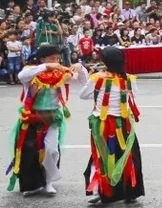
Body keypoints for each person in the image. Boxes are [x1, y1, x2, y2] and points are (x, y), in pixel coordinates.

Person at [6, 44, 88, 196]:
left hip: (52, 117)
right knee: (30, 152)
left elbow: (84, 81)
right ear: (42, 59)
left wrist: (80, 67)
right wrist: (46, 66)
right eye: (52, 58)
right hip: (31, 117)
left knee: (52, 150)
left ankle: (49, 181)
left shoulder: (60, 75)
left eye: (58, 58)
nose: (56, 61)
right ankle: (31, 185)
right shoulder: (31, 73)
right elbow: (21, 76)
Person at [80, 47, 145, 204]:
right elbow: (132, 95)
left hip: (103, 124)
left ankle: (100, 191)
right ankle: (131, 192)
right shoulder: (129, 78)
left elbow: (83, 95)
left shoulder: (97, 78)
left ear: (104, 61)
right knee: (128, 156)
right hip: (123, 124)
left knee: (101, 156)